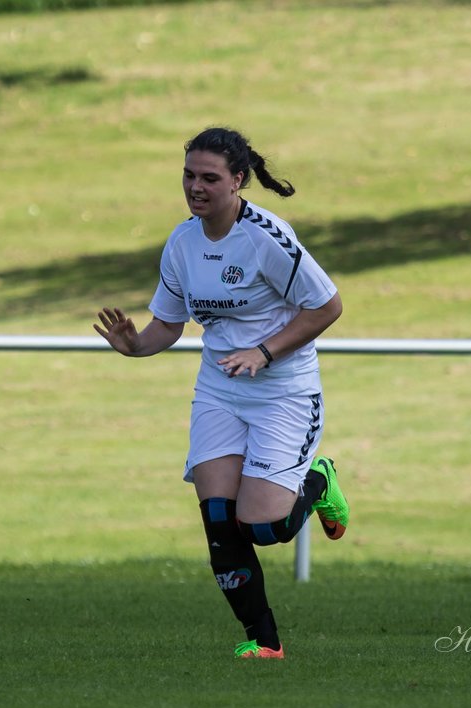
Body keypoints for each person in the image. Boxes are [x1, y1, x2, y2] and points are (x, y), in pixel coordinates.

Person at [94, 127, 350, 660]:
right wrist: (135, 346)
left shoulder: (267, 238)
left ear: (238, 181)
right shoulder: (182, 242)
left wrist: (265, 352)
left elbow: (326, 307)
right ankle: (264, 642)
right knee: (218, 520)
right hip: (219, 388)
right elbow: (169, 324)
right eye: (189, 175)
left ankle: (318, 480)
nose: (196, 187)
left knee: (264, 526)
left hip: (282, 390)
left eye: (209, 178)